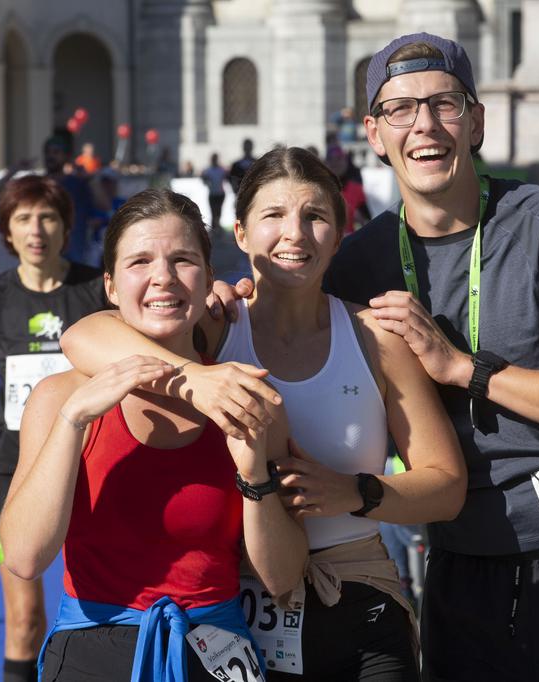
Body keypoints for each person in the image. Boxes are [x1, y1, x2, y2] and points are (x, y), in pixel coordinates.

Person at [206, 34, 539, 680]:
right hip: (462, 567)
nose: (424, 125)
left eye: (445, 105)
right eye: (400, 109)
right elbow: (287, 309)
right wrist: (227, 299)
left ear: (476, 121)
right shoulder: (357, 262)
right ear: (374, 132)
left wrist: (466, 368)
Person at [62, 147, 467, 681]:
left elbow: (447, 487)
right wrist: (196, 378)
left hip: (360, 593)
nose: (294, 234)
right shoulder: (211, 327)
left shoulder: (376, 339)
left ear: (342, 232)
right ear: (241, 233)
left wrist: (357, 493)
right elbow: (83, 334)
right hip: (239, 613)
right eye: (273, 216)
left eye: (315, 217)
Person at [0, 189, 307, 680]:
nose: (162, 277)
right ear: (111, 287)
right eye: (139, 261)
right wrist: (71, 423)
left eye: (182, 260)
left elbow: (283, 577)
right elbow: (23, 557)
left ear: (209, 280)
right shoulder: (62, 397)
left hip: (216, 654)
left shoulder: (244, 397)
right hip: (91, 653)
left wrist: (254, 478)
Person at [0, 175, 109, 682]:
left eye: (48, 218)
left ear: (65, 227)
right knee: (24, 620)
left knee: (101, 613)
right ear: (7, 232)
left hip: (90, 472)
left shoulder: (94, 290)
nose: (36, 230)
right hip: (10, 476)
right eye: (23, 219)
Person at [0, 130, 102, 266]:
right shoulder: (35, 184)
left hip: (73, 260)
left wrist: (91, 179)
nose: (50, 156)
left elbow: (104, 205)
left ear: (67, 156)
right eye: (48, 152)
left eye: (56, 152)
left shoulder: (78, 184)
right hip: (42, 259)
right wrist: (14, 171)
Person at [325, 146, 370, 235]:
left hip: (349, 242)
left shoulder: (356, 188)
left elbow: (367, 221)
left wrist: (361, 219)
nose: (335, 163)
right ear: (326, 163)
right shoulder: (320, 189)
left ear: (346, 161)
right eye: (331, 159)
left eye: (339, 159)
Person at [201, 153, 228, 232]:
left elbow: (226, 177)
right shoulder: (208, 170)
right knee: (213, 211)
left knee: (219, 210)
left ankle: (217, 225)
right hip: (212, 193)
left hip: (220, 193)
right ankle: (214, 227)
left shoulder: (221, 170)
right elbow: (204, 180)